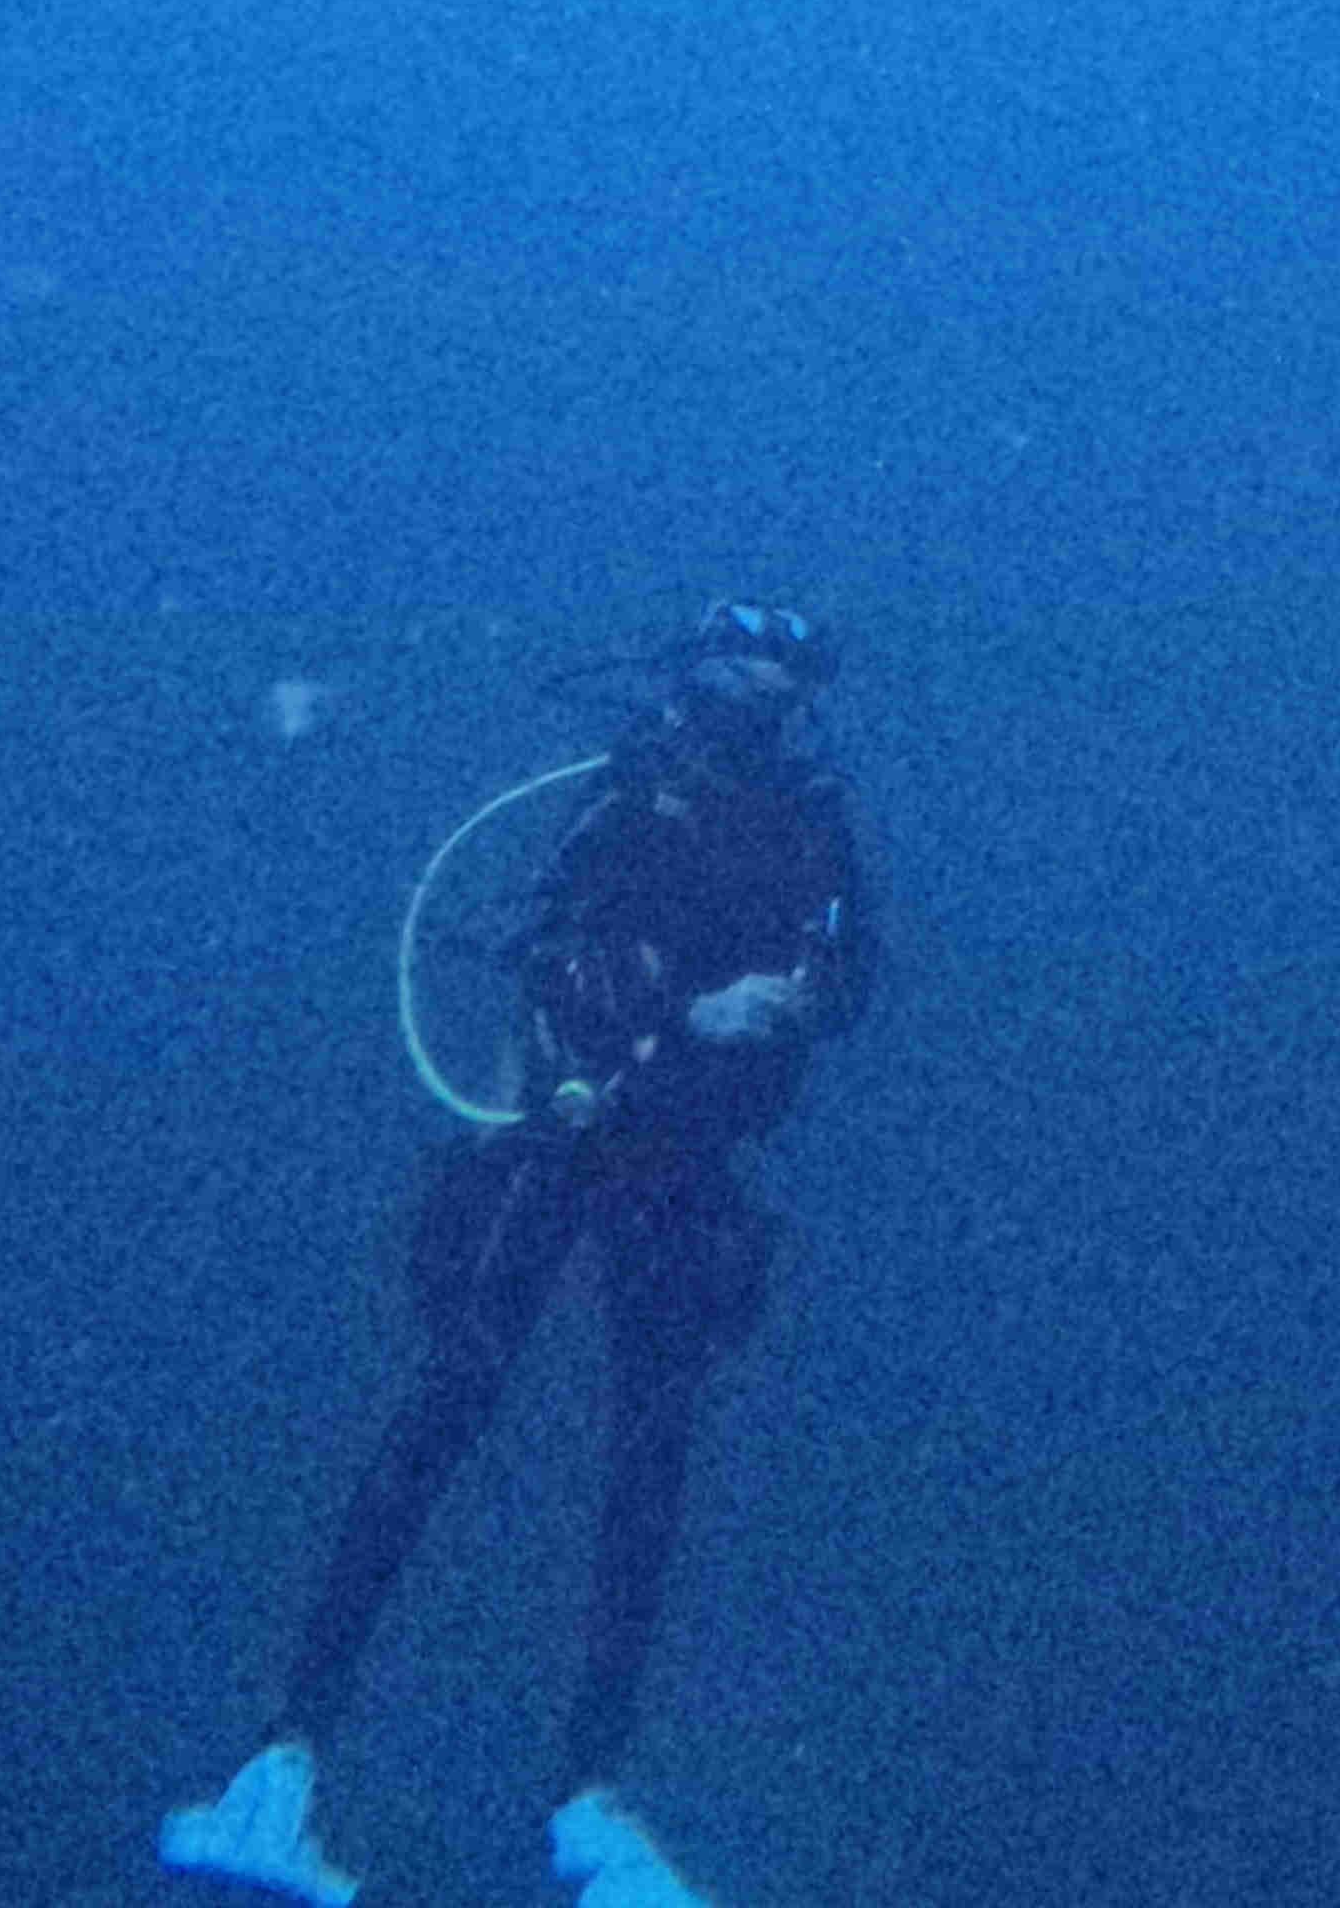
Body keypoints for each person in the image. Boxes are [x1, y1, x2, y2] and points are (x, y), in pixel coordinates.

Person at [167, 602, 879, 1908]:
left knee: (645, 1464)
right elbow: (552, 955)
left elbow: (855, 976)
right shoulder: (630, 796)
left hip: (685, 1169)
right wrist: (679, 1019)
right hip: (564, 1144)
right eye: (742, 673)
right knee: (449, 1415)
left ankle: (589, 1801)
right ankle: (280, 1768)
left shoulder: (810, 816)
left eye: (784, 681)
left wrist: (794, 997)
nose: (762, 702)